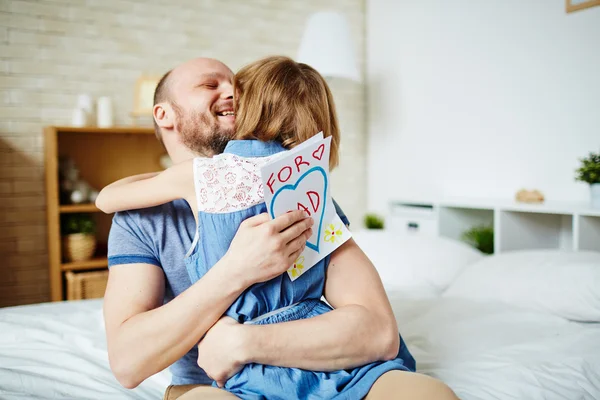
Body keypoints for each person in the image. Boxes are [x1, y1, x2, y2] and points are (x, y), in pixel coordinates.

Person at [103, 56, 458, 399]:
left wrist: (242, 342)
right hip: (216, 385)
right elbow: (128, 364)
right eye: (210, 84)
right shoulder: (141, 218)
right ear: (164, 115)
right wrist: (236, 271)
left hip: (312, 369)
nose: (231, 92)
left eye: (238, 85)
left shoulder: (296, 190)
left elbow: (379, 333)